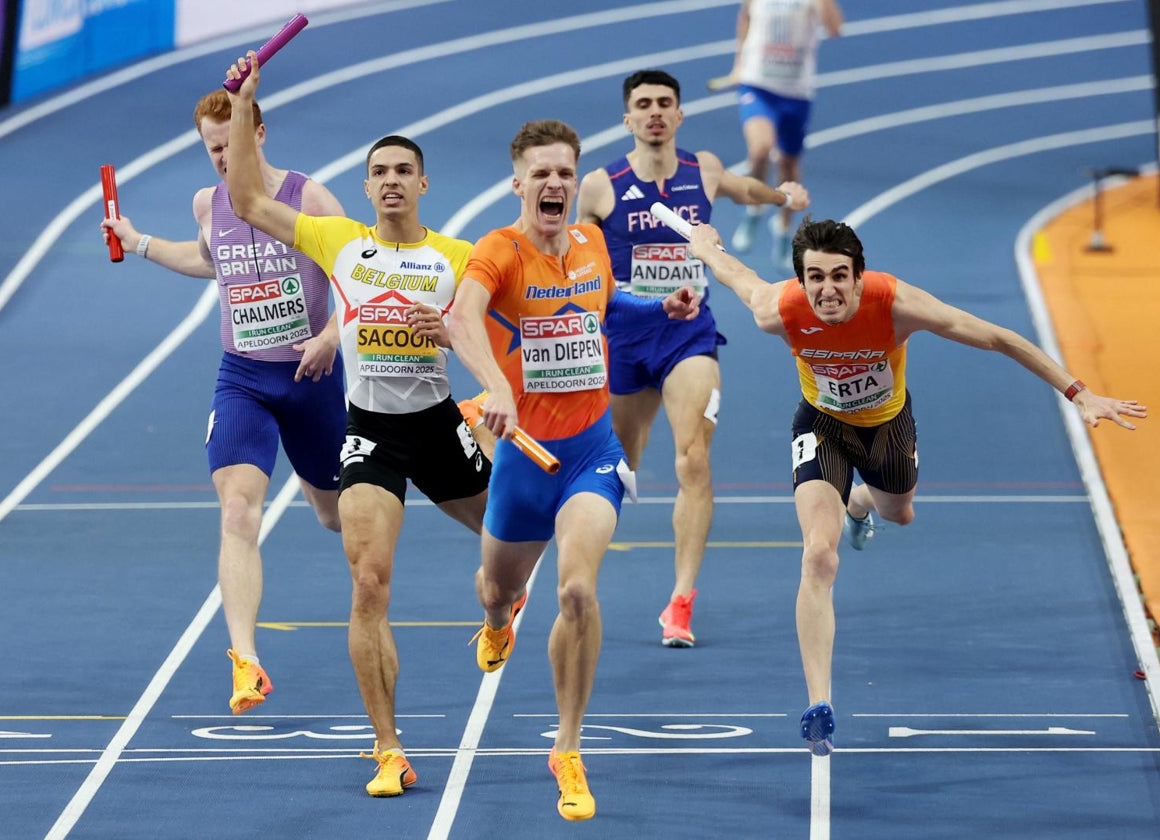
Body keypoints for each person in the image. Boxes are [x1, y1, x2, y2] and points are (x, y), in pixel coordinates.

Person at [685, 217, 1147, 756]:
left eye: (839, 276)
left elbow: (997, 337)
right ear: (802, 280)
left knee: (899, 513)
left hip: (887, 428)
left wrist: (1078, 393)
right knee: (819, 556)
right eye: (816, 277)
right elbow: (735, 273)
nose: (827, 289)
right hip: (821, 426)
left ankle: (859, 500)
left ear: (859, 278)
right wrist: (706, 246)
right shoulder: (779, 309)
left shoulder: (896, 304)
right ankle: (819, 705)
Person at [222, 52, 493, 798]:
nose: (394, 179)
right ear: (369, 185)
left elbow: (517, 326)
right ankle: (387, 747)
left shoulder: (459, 257)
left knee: (509, 553)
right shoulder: (338, 239)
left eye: (407, 169)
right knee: (368, 583)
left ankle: (499, 608)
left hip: (440, 424)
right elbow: (245, 197)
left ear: (424, 183)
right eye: (383, 170)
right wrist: (246, 102)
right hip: (370, 431)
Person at [448, 119, 699, 821]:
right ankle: (498, 618)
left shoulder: (590, 243)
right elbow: (463, 319)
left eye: (565, 172)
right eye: (541, 173)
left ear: (573, 179)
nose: (554, 184)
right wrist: (495, 385)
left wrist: (658, 306)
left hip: (591, 451)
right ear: (518, 183)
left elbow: (602, 303)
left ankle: (567, 745)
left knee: (578, 593)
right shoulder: (498, 253)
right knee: (496, 588)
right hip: (524, 463)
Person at [100, 88, 347, 717]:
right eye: (210, 149)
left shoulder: (307, 198)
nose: (219, 159)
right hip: (243, 378)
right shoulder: (208, 203)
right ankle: (246, 661)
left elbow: (359, 275)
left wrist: (328, 336)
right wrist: (141, 242)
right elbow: (212, 262)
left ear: (257, 133)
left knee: (335, 516)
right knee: (238, 511)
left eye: (227, 144)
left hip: (311, 378)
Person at [576, 69, 809, 648]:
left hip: (689, 336)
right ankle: (578, 578)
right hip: (626, 336)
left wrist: (782, 195)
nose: (655, 112)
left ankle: (680, 601)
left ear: (679, 116)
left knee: (693, 461)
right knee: (618, 468)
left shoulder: (701, 169)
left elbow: (742, 189)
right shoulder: (600, 186)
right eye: (643, 105)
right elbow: (575, 258)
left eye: (665, 104)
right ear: (628, 118)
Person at [728, 0, 844, 266]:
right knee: (759, 150)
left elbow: (835, 29)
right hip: (757, 84)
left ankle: (782, 228)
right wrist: (738, 64)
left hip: (795, 92)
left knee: (788, 162)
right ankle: (754, 208)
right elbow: (745, 17)